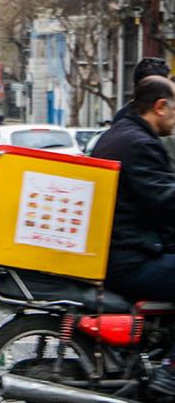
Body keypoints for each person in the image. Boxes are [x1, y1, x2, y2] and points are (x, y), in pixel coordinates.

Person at [91, 76, 175, 395]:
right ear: (160, 106)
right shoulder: (139, 144)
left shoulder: (119, 134)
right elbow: (165, 200)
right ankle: (170, 372)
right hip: (129, 258)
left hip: (122, 248)